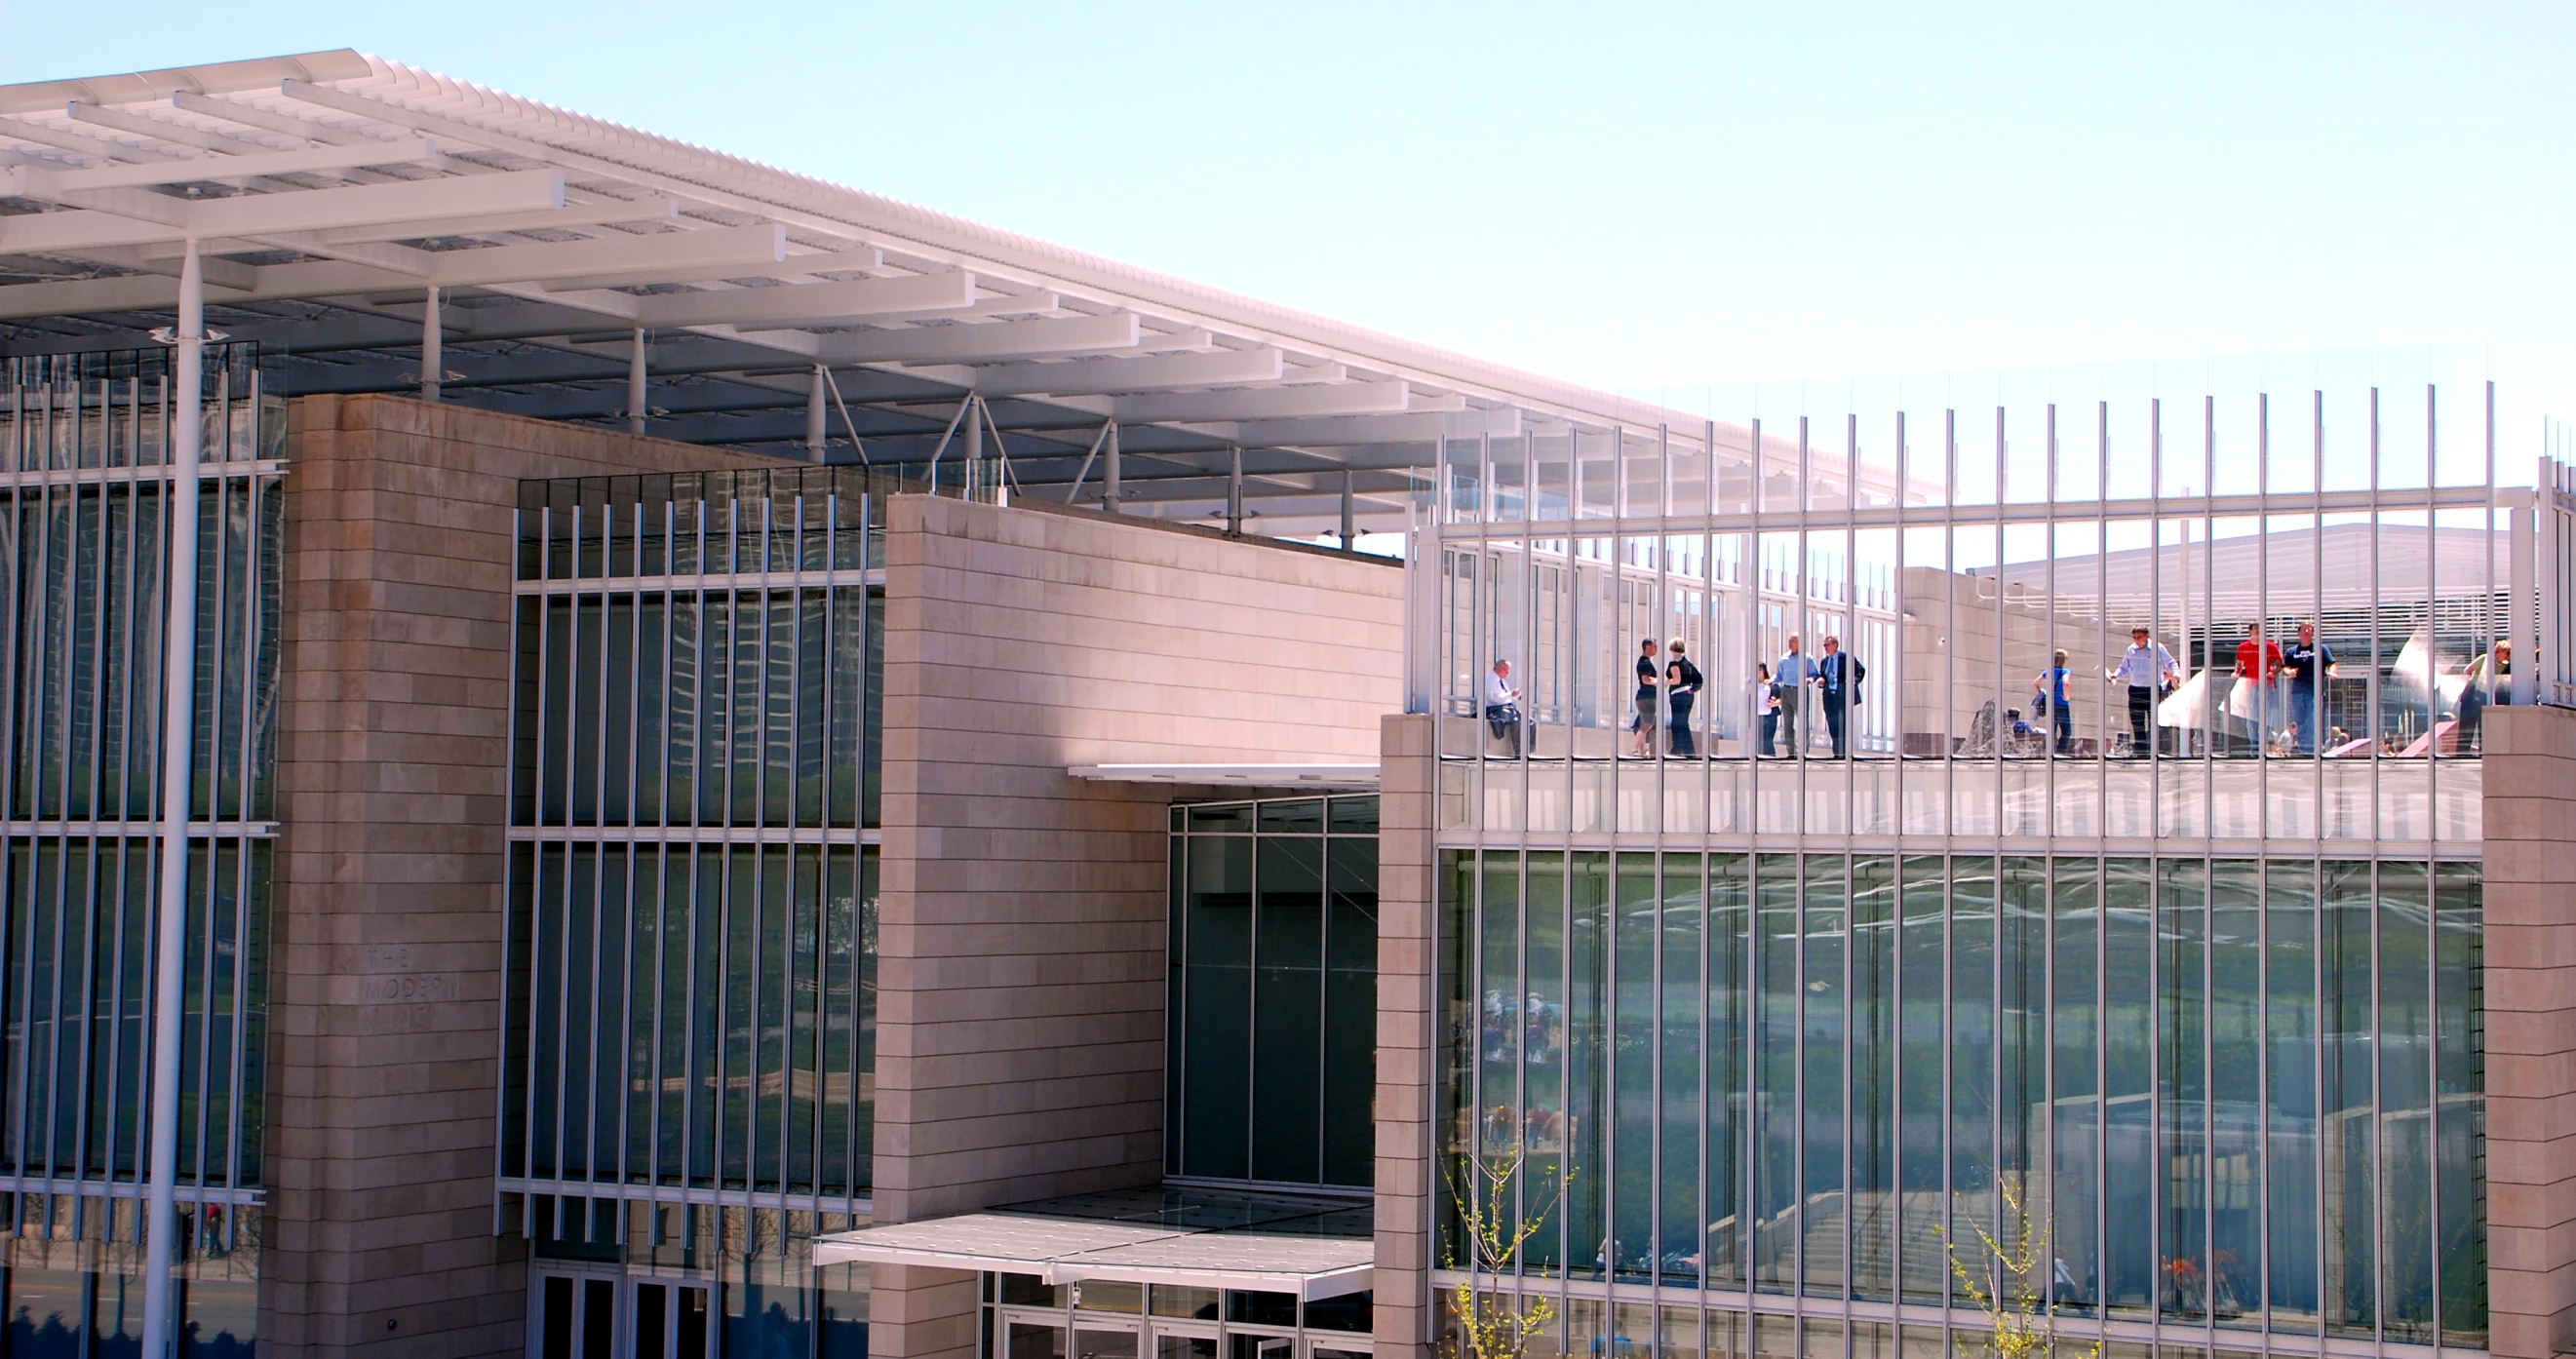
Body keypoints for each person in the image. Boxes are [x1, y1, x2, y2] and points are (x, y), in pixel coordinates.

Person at [2105, 626, 2179, 758]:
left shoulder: (2157, 648)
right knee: (2137, 722)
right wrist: (2115, 675)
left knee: (2153, 721)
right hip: (2135, 689)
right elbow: (2124, 667)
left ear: (2146, 636)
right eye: (2134, 637)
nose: (2136, 640)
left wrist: (2176, 673)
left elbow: (2171, 662)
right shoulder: (2130, 650)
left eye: (2139, 637)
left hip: (2152, 689)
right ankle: (2141, 751)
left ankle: (2151, 750)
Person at [2280, 623, 2336, 757]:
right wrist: (2290, 672)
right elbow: (2284, 667)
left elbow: (2332, 663)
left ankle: (2311, 750)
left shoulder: (2321, 649)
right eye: (2304, 629)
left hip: (2314, 691)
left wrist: (2332, 672)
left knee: (2313, 720)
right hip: (2297, 692)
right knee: (2300, 721)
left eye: (2309, 630)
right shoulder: (2292, 651)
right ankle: (2303, 747)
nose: (2307, 632)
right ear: (2298, 633)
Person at [2234, 621, 2284, 756]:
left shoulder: (2271, 646)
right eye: (2255, 628)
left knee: (2267, 717)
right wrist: (2236, 674)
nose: (2257, 631)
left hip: (2266, 685)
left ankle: (2263, 747)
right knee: (2251, 718)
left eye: (2260, 629)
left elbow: (2280, 664)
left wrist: (2272, 673)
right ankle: (2254, 748)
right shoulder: (2243, 647)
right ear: (2250, 631)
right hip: (2250, 686)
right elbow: (2239, 664)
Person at [1815, 635, 1866, 757]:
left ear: (1835, 645)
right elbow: (1824, 675)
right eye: (1824, 645)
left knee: (1843, 724)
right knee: (1832, 724)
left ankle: (1845, 752)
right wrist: (1821, 679)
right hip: (1829, 697)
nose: (1826, 647)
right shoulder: (1824, 661)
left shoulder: (1845, 658)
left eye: (1828, 645)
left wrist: (1853, 682)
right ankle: (1837, 752)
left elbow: (1860, 669)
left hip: (1842, 696)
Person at [1664, 638, 1702, 758]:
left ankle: (1678, 749)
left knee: (1677, 723)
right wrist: (1692, 689)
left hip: (1678, 695)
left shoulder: (1674, 663)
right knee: (1683, 722)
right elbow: (1699, 679)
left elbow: (1677, 679)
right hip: (1688, 695)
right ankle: (1688, 750)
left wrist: (1666, 681)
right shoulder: (1688, 663)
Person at [1775, 635, 1812, 757]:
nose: (1790, 644)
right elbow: (1779, 675)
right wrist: (1771, 680)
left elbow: (1815, 674)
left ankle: (1802, 751)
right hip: (1786, 690)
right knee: (1787, 722)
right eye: (1789, 641)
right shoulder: (1784, 658)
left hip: (1800, 690)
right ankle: (1791, 752)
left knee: (1802, 721)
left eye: (1793, 642)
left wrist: (1809, 680)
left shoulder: (1807, 658)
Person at [2033, 649, 2074, 755]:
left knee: (2051, 731)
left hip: (2051, 705)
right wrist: (2066, 696)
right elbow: (2066, 683)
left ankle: (2046, 751)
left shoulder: (2048, 672)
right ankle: (2060, 752)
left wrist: (2042, 692)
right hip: (2062, 705)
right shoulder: (2065, 672)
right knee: (2066, 731)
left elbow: (2035, 683)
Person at [1627, 638, 1660, 757]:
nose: (1656, 649)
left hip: (1644, 696)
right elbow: (1645, 679)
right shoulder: (1645, 663)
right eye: (1654, 647)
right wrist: (1659, 681)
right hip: (1647, 697)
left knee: (1644, 723)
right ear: (1648, 647)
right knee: (1648, 724)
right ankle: (1635, 749)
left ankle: (1641, 752)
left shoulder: (1644, 662)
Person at [1484, 658, 1523, 757]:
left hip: (1506, 707)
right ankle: (1518, 750)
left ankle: (1528, 749)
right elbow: (1494, 698)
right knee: (1515, 721)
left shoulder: (1503, 682)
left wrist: (1516, 697)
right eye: (1506, 670)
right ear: (1498, 668)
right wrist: (1510, 694)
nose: (1507, 673)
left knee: (1529, 721)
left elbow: (1507, 699)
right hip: (1495, 708)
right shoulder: (1490, 680)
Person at [1751, 663, 1779, 757]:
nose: (1758, 671)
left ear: (1764, 671)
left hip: (1769, 716)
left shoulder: (1771, 684)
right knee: (1757, 740)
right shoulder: (1751, 684)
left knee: (1767, 740)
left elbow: (1782, 698)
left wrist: (1775, 702)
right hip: (1756, 716)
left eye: (1760, 669)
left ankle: (1771, 758)